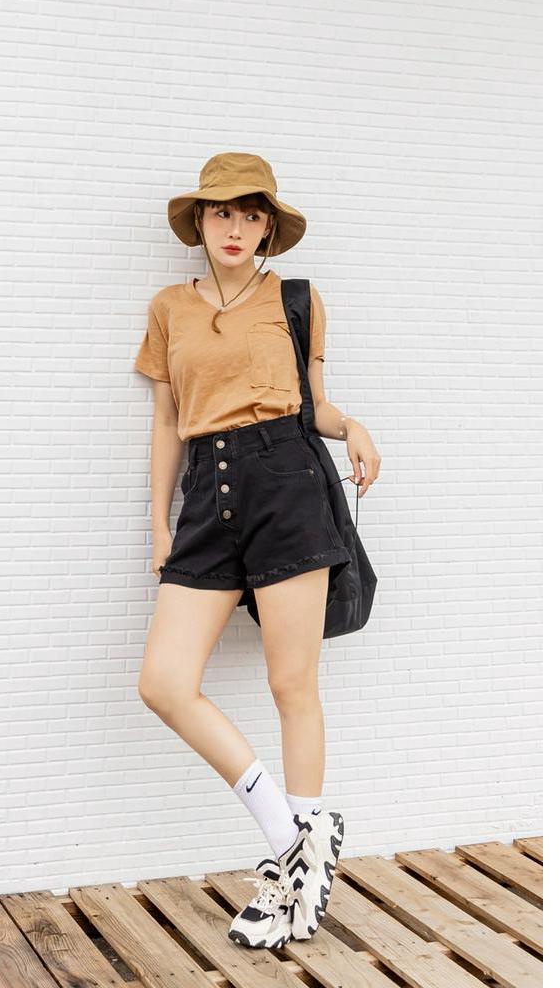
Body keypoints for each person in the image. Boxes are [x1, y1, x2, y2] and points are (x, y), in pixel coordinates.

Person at [132, 153, 382, 949]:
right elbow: (167, 420)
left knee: (290, 683)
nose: (235, 227)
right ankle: (293, 840)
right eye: (221, 212)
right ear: (199, 223)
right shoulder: (170, 308)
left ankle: (293, 879)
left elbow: (313, 405)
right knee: (164, 683)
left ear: (268, 226)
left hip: (286, 486)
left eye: (250, 214)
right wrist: (161, 521)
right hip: (208, 495)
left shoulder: (295, 300)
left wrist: (355, 427)